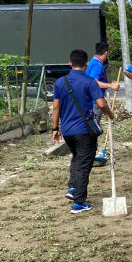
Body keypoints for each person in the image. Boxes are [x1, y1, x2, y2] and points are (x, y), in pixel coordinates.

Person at [52, 49, 116, 214]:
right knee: (84, 165)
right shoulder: (89, 82)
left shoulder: (60, 82)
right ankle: (79, 202)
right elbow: (101, 104)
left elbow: (56, 107)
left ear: (70, 63)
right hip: (84, 131)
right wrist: (111, 115)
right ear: (87, 64)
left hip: (67, 131)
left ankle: (72, 188)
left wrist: (55, 129)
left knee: (77, 158)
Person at [85, 42, 120, 124]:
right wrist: (111, 85)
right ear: (106, 53)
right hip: (95, 101)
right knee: (94, 127)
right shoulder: (97, 65)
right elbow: (93, 82)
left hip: (92, 100)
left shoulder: (93, 62)